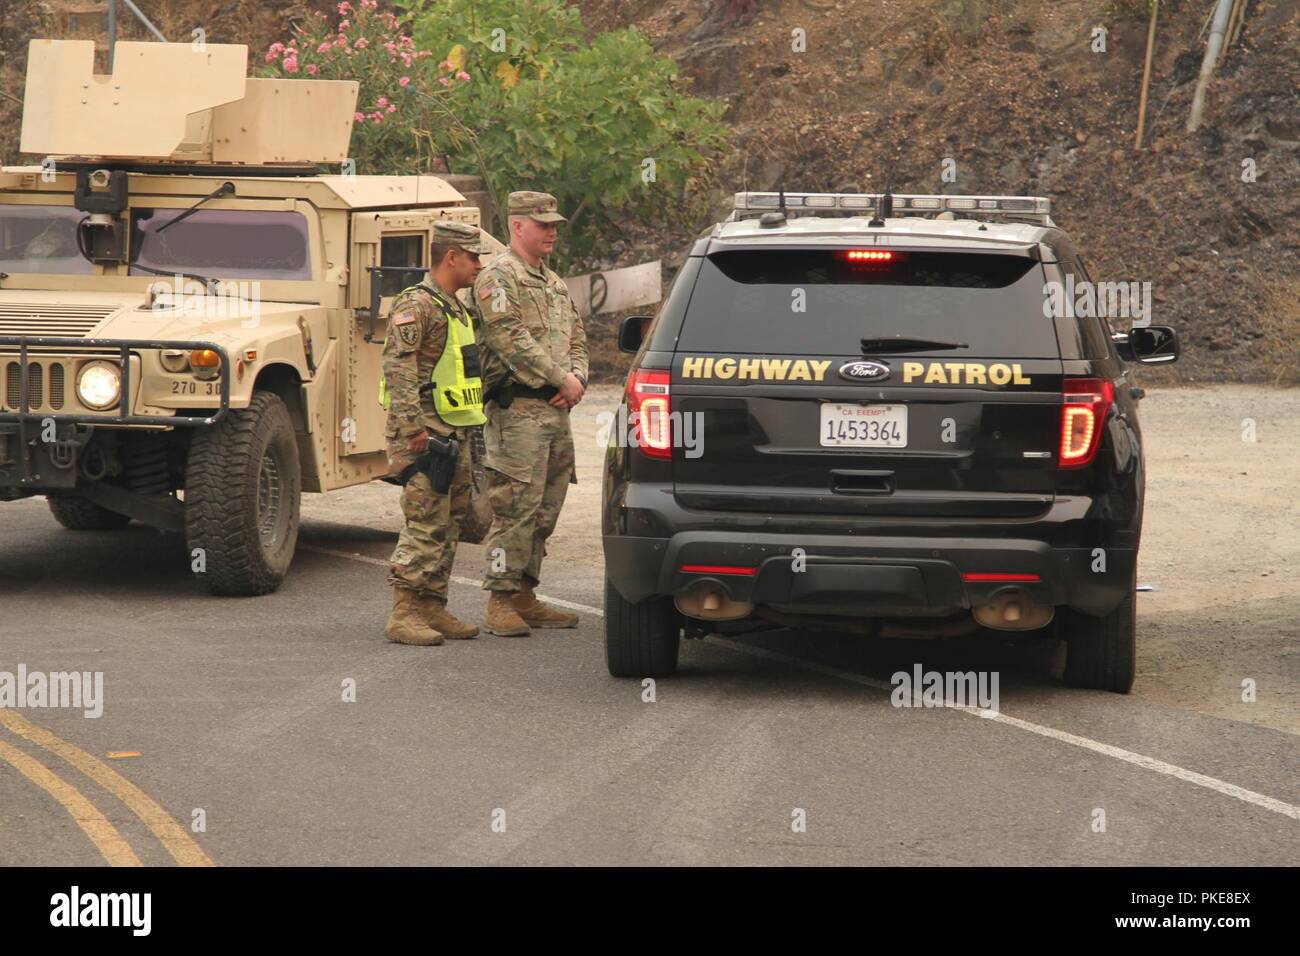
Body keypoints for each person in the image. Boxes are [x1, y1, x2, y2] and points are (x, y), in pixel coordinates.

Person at [472, 191, 588, 637]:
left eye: (554, 224)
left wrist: (574, 377)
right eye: (543, 224)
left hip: (556, 411)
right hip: (517, 409)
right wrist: (561, 378)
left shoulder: (553, 282)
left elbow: (577, 337)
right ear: (517, 226)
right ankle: (499, 599)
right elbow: (509, 338)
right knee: (514, 508)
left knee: (546, 510)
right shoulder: (499, 277)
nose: (552, 231)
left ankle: (525, 592)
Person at [380, 219, 486, 645]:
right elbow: (398, 366)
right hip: (425, 433)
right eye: (474, 257)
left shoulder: (454, 306)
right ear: (451, 257)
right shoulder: (417, 304)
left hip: (454, 431)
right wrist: (412, 429)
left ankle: (432, 606)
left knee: (450, 522)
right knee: (425, 522)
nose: (479, 265)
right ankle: (403, 613)